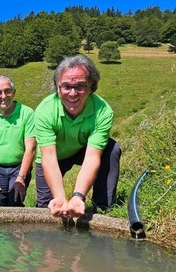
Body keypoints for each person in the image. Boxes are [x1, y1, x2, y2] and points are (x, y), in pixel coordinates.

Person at [33, 54, 121, 218]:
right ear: (58, 87)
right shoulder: (44, 111)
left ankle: (102, 209)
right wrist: (60, 197)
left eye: (80, 86)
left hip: (82, 149)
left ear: (91, 87)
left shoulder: (103, 111)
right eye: (66, 86)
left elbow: (92, 157)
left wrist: (78, 196)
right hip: (53, 155)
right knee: (47, 207)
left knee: (112, 148)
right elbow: (49, 157)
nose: (72, 93)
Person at [0, 75, 36, 206]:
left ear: (14, 92)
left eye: (7, 91)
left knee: (15, 202)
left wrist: (21, 177)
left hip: (19, 167)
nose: (3, 96)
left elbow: (30, 148)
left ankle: (18, 227)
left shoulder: (27, 113)